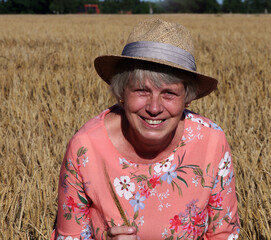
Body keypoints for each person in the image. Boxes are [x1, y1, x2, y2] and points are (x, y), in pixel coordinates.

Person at [51, 18, 240, 240]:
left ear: (187, 99)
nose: (154, 107)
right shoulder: (85, 149)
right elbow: (68, 236)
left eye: (169, 93)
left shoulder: (211, 142)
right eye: (142, 90)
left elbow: (224, 234)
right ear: (121, 93)